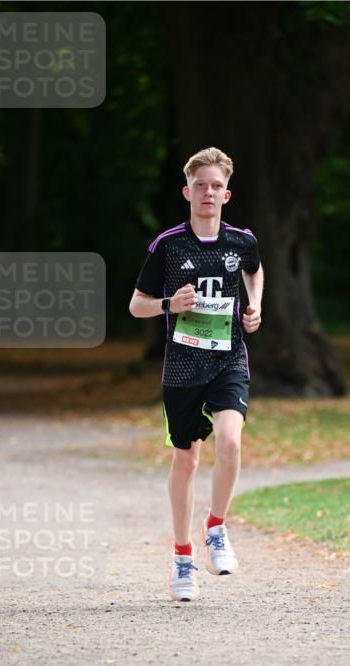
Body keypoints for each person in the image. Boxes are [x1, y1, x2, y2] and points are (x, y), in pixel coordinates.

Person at [129, 147, 264, 601]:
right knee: (186, 459)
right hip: (183, 364)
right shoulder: (168, 245)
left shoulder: (241, 241)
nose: (209, 192)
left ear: (228, 194)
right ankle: (182, 558)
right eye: (201, 185)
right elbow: (136, 305)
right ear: (188, 192)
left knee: (230, 442)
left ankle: (217, 528)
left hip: (229, 358)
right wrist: (170, 304)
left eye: (217, 186)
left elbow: (254, 272)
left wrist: (255, 306)